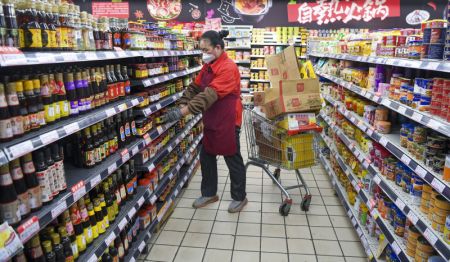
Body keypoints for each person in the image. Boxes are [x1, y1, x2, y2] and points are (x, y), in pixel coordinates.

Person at [165, 30, 247, 213]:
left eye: (206, 50)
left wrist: (183, 112)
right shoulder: (208, 66)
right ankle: (209, 193)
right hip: (212, 118)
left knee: (232, 157)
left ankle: (239, 197)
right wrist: (181, 103)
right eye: (201, 50)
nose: (203, 54)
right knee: (207, 155)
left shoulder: (228, 67)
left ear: (218, 48)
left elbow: (209, 95)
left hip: (228, 119)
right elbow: (196, 87)